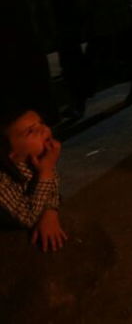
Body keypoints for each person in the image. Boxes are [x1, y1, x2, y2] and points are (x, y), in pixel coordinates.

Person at [1, 106, 65, 251]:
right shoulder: (2, 182)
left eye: (41, 123)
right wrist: (46, 172)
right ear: (12, 154)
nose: (43, 129)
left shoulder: (38, 157)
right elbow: (27, 217)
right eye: (30, 131)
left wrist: (50, 211)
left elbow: (51, 184)